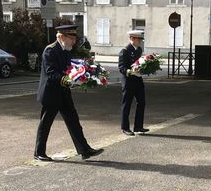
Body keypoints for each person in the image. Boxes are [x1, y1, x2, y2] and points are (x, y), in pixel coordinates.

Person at [34, 25, 103, 161]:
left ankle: (84, 150)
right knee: (45, 123)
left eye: (74, 38)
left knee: (73, 121)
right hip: (51, 93)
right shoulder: (50, 51)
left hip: (63, 92)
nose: (73, 41)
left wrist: (80, 76)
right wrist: (68, 79)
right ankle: (39, 152)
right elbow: (51, 73)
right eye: (71, 38)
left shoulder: (66, 50)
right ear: (61, 37)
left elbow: (69, 69)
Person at [118, 30, 149, 136]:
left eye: (141, 39)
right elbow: (121, 67)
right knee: (127, 104)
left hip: (138, 80)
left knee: (142, 102)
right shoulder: (125, 51)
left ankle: (138, 126)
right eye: (138, 39)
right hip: (128, 81)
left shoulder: (139, 50)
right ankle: (125, 128)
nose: (140, 41)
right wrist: (130, 71)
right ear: (132, 38)